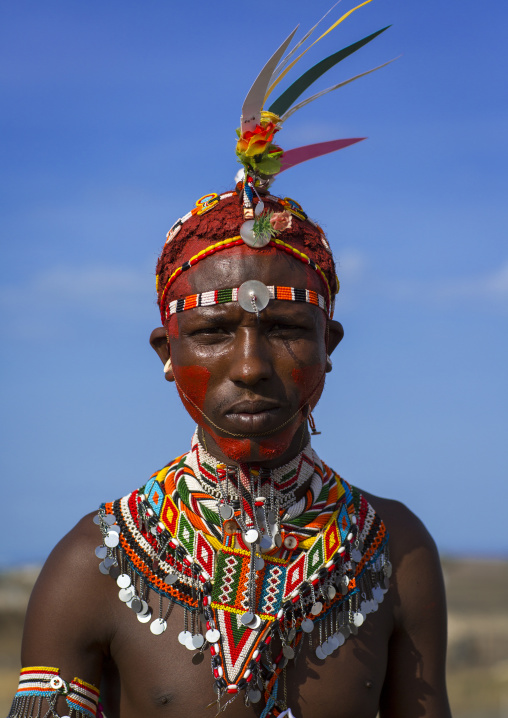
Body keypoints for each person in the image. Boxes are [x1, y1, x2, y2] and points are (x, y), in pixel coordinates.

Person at [8, 7, 452, 718]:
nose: (250, 365)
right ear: (167, 352)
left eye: (283, 329)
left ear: (329, 347)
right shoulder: (88, 569)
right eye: (213, 332)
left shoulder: (394, 551)